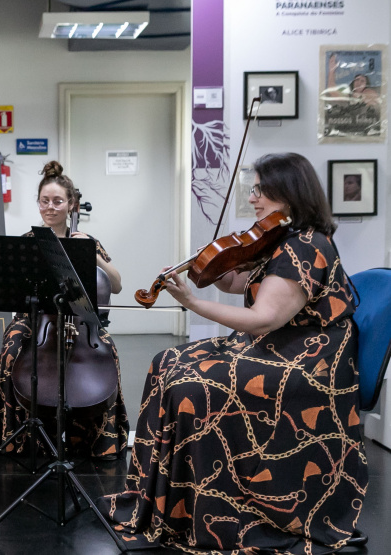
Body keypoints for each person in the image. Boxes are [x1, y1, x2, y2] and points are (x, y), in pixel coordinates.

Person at [99, 153, 368, 552]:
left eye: (261, 190)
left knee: (192, 385)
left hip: (307, 363)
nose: (254, 198)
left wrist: (190, 302)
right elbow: (239, 284)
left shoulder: (307, 246)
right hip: (280, 347)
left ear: (289, 192)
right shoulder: (283, 239)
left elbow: (262, 318)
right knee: (167, 362)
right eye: (255, 189)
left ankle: (217, 505)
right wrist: (213, 266)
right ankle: (167, 501)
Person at [0, 160, 128, 459]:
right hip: (36, 320)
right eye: (44, 201)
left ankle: (95, 440)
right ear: (38, 203)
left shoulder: (87, 241)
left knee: (109, 351)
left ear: (71, 204)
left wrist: (94, 255)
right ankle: (22, 437)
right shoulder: (29, 241)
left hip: (81, 322)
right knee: (12, 345)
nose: (50, 207)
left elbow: (115, 285)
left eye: (57, 201)